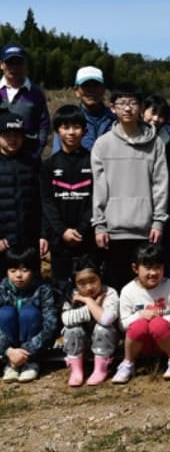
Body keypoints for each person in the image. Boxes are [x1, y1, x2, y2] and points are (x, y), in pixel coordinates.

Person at [91, 85, 168, 292]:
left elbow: (160, 184)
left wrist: (158, 221)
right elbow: (98, 187)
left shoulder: (156, 143)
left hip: (146, 229)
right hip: (113, 229)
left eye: (133, 103)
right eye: (122, 103)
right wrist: (99, 224)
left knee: (146, 286)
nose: (127, 108)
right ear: (112, 108)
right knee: (116, 285)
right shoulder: (102, 145)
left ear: (142, 107)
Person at [112, 244, 170, 384]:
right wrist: (139, 315)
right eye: (147, 268)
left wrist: (164, 319)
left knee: (158, 324)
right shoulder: (128, 291)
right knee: (139, 325)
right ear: (135, 268)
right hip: (142, 343)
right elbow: (122, 324)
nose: (153, 273)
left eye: (158, 267)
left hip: (167, 337)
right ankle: (128, 363)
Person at [41, 105, 95, 296]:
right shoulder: (49, 165)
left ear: (84, 130)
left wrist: (81, 229)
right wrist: (62, 231)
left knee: (89, 287)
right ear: (57, 131)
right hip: (60, 240)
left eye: (76, 126)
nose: (71, 132)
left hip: (87, 238)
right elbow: (47, 202)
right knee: (61, 290)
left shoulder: (94, 161)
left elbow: (97, 200)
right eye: (65, 127)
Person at [0, 247, 58, 383]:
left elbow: (51, 325)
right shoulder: (2, 289)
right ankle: (10, 364)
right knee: (5, 313)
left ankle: (30, 363)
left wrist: (25, 351)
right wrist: (9, 351)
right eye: (13, 271)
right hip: (8, 351)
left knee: (29, 313)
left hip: (34, 349)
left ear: (33, 270)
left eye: (24, 270)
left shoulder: (44, 290)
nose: (18, 275)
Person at [141, 94, 170, 259]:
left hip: (165, 207)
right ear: (142, 112)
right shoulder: (133, 138)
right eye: (152, 113)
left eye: (161, 115)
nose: (156, 119)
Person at [60, 255, 119, 387]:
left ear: (100, 278)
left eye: (93, 281)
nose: (89, 287)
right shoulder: (72, 295)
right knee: (72, 329)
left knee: (102, 328)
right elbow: (66, 319)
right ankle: (76, 370)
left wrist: (88, 301)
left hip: (106, 344)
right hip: (83, 343)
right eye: (82, 283)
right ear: (75, 283)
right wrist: (91, 308)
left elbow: (106, 319)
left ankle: (100, 369)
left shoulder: (109, 293)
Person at [0, 111, 46, 259]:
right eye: (7, 134)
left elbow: (43, 201)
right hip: (3, 243)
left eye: (17, 134)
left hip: (30, 242)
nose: (13, 139)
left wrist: (43, 235)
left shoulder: (33, 162)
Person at [0, 43, 50, 157]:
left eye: (18, 63)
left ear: (25, 65)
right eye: (9, 63)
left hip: (29, 156)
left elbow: (44, 124)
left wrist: (38, 150)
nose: (14, 67)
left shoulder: (36, 92)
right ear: (1, 65)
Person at [52, 65, 115, 153]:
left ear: (104, 89)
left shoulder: (115, 119)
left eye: (96, 85)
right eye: (86, 86)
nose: (92, 90)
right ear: (76, 91)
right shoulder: (67, 118)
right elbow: (58, 155)